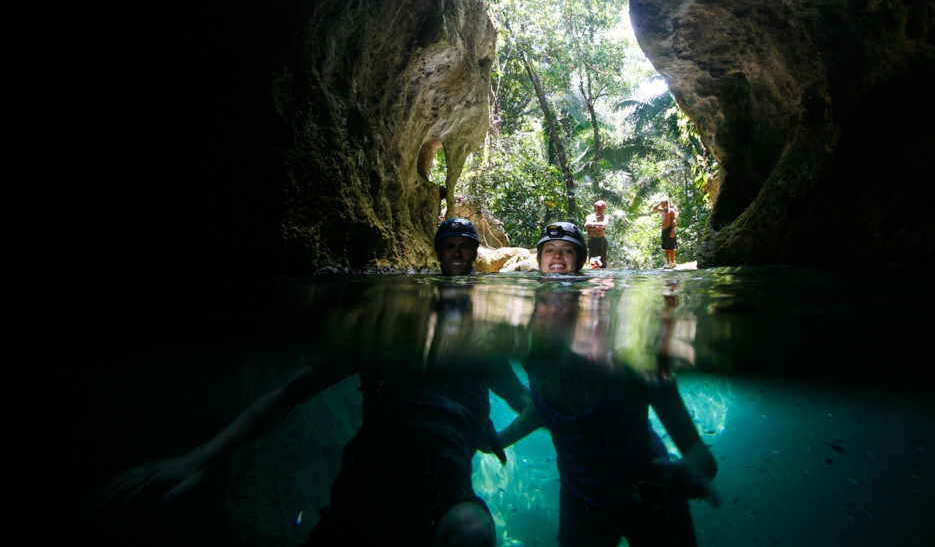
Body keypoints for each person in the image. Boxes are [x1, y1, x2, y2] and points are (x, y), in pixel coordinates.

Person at [88, 217, 529, 547]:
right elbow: (287, 396)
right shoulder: (380, 329)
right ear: (437, 252)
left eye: (464, 247)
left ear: (474, 255)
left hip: (444, 486)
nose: (456, 253)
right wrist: (199, 457)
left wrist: (496, 433)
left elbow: (534, 403)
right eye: (448, 245)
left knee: (471, 531)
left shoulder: (484, 341)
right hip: (367, 480)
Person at [496, 222, 718, 546]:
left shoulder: (632, 358)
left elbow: (701, 455)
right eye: (550, 251)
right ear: (539, 261)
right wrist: (501, 438)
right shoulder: (535, 350)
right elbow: (549, 408)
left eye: (567, 250)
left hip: (652, 498)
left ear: (581, 262)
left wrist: (685, 475)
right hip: (581, 504)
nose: (558, 257)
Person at [584, 200, 610, 269]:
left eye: (602, 208)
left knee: (603, 263)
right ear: (595, 208)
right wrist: (599, 226)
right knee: (593, 262)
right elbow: (587, 225)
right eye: (598, 208)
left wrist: (592, 226)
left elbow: (604, 224)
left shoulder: (606, 217)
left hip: (602, 241)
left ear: (604, 209)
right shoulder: (589, 217)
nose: (600, 210)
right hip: (593, 241)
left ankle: (602, 278)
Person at [652, 199, 678, 268]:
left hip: (670, 229)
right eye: (662, 205)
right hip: (664, 230)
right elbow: (654, 208)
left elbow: (674, 220)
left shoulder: (671, 211)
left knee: (672, 246)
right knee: (666, 246)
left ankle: (672, 262)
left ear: (667, 204)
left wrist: (672, 230)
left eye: (664, 204)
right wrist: (659, 203)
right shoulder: (662, 210)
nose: (662, 206)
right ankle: (667, 261)